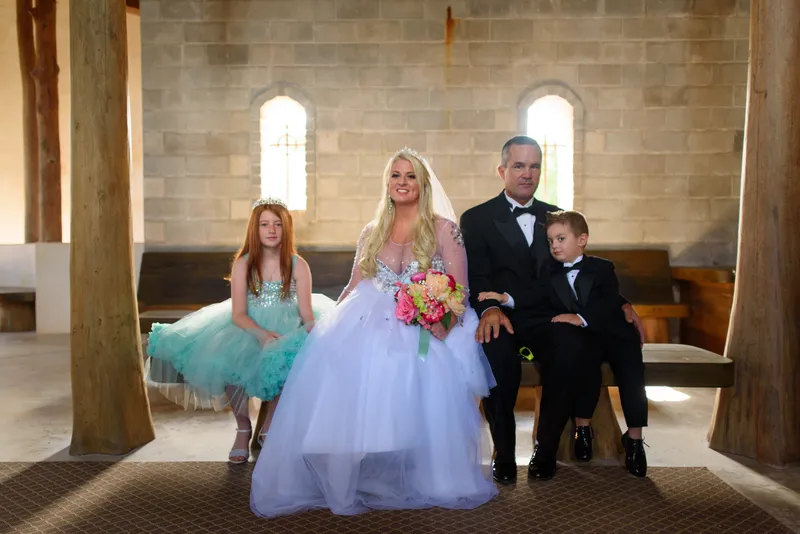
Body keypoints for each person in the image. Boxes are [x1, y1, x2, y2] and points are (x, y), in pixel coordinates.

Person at [250, 148, 498, 518]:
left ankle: (422, 469)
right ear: (387, 183)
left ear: (423, 183)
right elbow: (354, 284)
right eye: (396, 175)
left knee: (413, 365)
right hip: (371, 314)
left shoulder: (445, 228)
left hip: (426, 321)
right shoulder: (372, 231)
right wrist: (329, 327)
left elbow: (459, 289)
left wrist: (439, 324)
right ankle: (352, 467)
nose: (402, 182)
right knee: (341, 363)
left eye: (410, 175)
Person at [460, 135, 645, 482]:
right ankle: (502, 451)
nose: (527, 174)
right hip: (500, 315)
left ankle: (545, 451)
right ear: (502, 170)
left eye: (534, 166)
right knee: (495, 355)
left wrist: (620, 303)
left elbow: (581, 267)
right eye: (518, 166)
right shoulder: (477, 218)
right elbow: (477, 275)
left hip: (549, 316)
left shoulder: (556, 216)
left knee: (572, 347)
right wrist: (488, 309)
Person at [146, 198, 334, 464]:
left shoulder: (297, 265)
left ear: (286, 229)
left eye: (278, 224)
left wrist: (321, 334)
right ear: (254, 230)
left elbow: (306, 314)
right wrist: (262, 335)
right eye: (265, 224)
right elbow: (238, 314)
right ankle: (243, 426)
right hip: (248, 327)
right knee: (228, 358)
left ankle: (270, 426)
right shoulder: (244, 264)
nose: (271, 230)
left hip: (286, 328)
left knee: (290, 356)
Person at [479, 210, 648, 477]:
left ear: (581, 239)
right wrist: (503, 298)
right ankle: (581, 429)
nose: (555, 246)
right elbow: (531, 294)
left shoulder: (603, 267)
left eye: (560, 239)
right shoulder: (550, 273)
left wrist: (582, 317)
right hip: (577, 334)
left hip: (612, 333)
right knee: (582, 355)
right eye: (551, 241)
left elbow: (608, 298)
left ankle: (635, 438)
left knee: (629, 368)